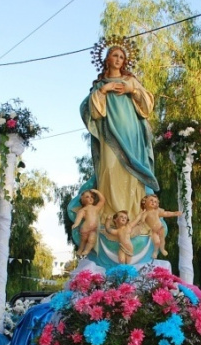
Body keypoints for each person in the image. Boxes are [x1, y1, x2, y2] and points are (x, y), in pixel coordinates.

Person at [73, 37, 159, 224]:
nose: (118, 59)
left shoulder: (130, 81)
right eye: (115, 55)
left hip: (131, 132)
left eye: (121, 56)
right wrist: (103, 91)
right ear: (107, 59)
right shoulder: (100, 85)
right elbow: (93, 113)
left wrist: (132, 90)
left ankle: (133, 216)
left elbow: (147, 106)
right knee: (110, 169)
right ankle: (110, 216)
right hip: (110, 134)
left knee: (132, 172)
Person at [140, 194, 181, 258]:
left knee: (162, 240)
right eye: (151, 200)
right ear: (145, 202)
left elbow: (166, 213)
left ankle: (162, 249)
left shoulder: (157, 211)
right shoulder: (146, 213)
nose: (153, 202)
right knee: (157, 242)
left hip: (161, 228)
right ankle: (155, 251)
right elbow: (142, 221)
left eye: (155, 201)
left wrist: (174, 213)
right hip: (153, 231)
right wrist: (141, 223)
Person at [71, 188, 106, 258]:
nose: (90, 198)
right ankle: (80, 250)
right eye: (87, 197)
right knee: (83, 241)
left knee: (91, 240)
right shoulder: (83, 210)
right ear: (82, 200)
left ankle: (86, 251)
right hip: (85, 229)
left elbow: (102, 200)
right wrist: (76, 224)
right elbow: (78, 218)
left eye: (92, 196)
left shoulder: (96, 208)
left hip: (94, 229)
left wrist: (97, 192)